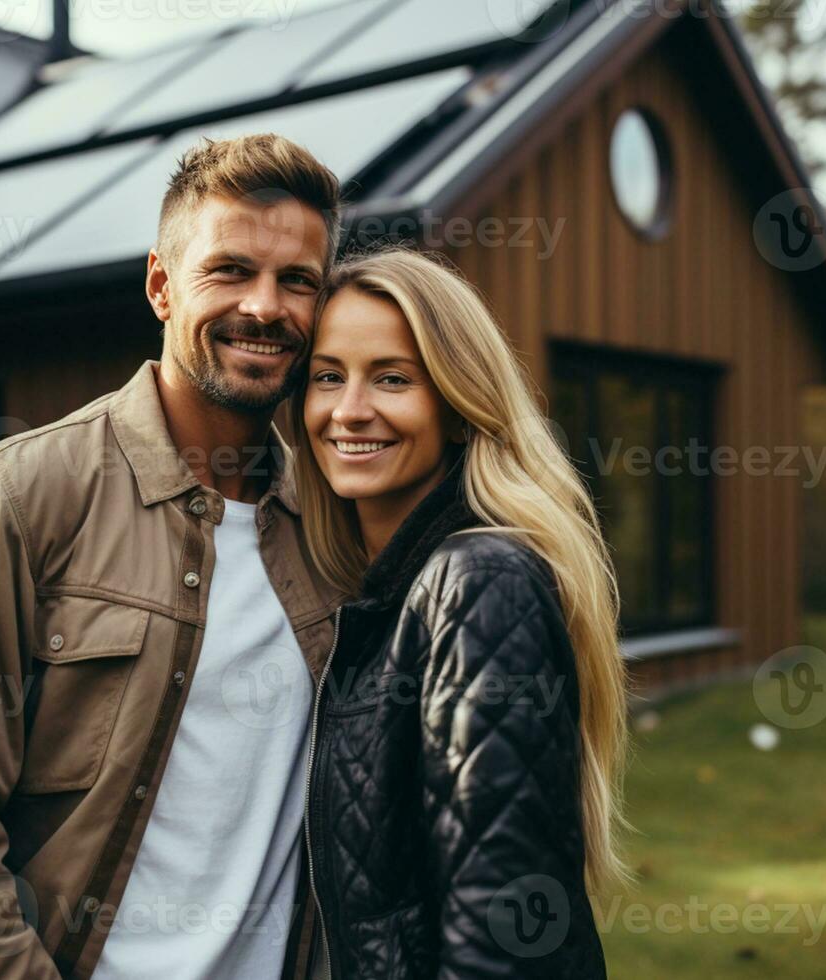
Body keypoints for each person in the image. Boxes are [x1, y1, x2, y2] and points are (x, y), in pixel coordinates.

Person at [0, 134, 347, 979]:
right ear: (160, 284)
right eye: (229, 270)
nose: (266, 307)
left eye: (297, 280)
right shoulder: (15, 498)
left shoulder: (334, 532)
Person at [291, 246, 630, 979]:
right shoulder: (391, 591)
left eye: (390, 378)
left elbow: (500, 936)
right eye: (326, 377)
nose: (348, 410)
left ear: (454, 404)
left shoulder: (476, 583)